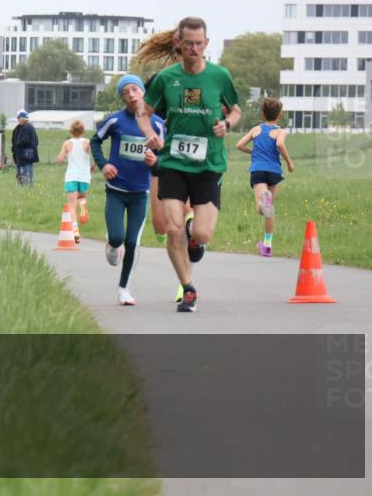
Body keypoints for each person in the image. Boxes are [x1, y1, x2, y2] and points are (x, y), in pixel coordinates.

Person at [136, 16, 241, 313]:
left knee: (202, 235)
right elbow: (143, 113)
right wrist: (149, 135)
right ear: (178, 44)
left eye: (199, 43)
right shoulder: (166, 79)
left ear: (206, 44)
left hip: (208, 163)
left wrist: (227, 123)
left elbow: (235, 109)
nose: (194, 49)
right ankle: (188, 287)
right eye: (189, 43)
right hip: (174, 163)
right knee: (172, 229)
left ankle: (195, 237)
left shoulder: (220, 76)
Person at [91, 75, 165, 306]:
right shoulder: (115, 120)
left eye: (134, 89)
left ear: (143, 92)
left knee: (132, 242)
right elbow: (94, 141)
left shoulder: (158, 124)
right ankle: (112, 244)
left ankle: (124, 289)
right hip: (116, 189)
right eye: (125, 92)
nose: (131, 95)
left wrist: (155, 161)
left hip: (140, 193)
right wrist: (104, 165)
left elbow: (165, 157)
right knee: (117, 237)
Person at [236, 97, 295, 257]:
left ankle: (264, 202)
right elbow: (280, 144)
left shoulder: (256, 130)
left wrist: (253, 152)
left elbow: (239, 145)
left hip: (258, 170)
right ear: (279, 116)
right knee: (270, 211)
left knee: (262, 209)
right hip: (274, 171)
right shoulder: (281, 131)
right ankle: (267, 245)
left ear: (262, 114)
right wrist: (289, 163)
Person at [56, 120, 95, 242]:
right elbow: (95, 155)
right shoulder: (87, 142)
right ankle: (83, 208)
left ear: (70, 131)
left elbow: (60, 159)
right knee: (82, 197)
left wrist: (64, 156)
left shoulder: (67, 143)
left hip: (71, 177)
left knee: (72, 206)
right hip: (84, 177)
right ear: (83, 131)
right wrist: (94, 165)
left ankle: (75, 231)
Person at [11, 110, 39, 186]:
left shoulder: (26, 128)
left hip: (24, 154)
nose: (18, 120)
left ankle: (25, 186)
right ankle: (26, 185)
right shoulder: (25, 127)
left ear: (23, 118)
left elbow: (25, 140)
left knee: (24, 171)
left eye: (19, 118)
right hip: (26, 154)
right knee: (26, 170)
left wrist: (17, 145)